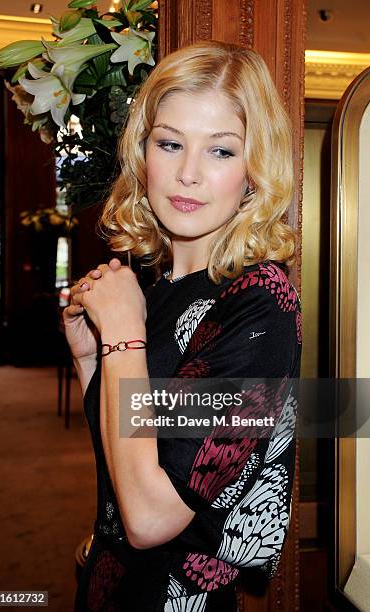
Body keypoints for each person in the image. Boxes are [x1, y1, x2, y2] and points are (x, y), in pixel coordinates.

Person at [64, 41, 302, 612]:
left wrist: (123, 336)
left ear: (254, 171)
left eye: (221, 152)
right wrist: (92, 358)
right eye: (170, 143)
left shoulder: (258, 304)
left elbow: (150, 517)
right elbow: (126, 466)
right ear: (142, 152)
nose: (188, 173)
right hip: (111, 585)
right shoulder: (153, 286)